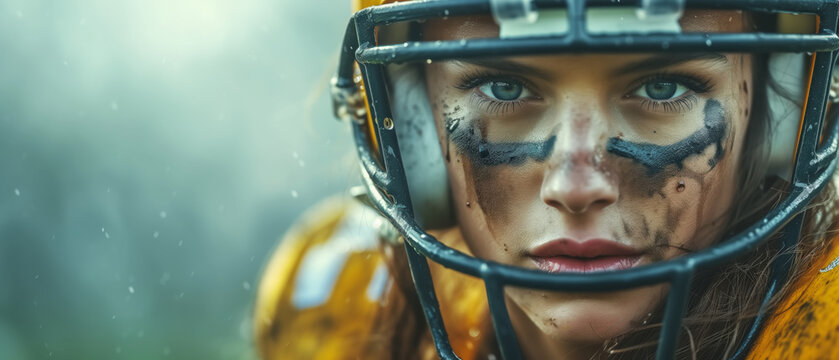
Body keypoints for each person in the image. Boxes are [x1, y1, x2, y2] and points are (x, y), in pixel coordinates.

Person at [254, 0, 839, 359]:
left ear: (775, 121)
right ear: (412, 127)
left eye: (663, 87)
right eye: (505, 88)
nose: (578, 185)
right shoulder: (352, 319)